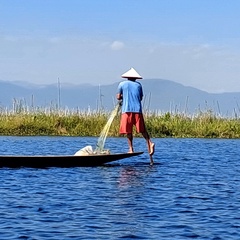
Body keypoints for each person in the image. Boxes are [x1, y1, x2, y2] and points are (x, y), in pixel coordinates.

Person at [116, 67, 155, 164]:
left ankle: (131, 149)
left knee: (128, 131)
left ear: (127, 77)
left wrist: (123, 96)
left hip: (126, 110)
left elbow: (118, 97)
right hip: (137, 110)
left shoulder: (122, 84)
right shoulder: (138, 85)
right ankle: (150, 142)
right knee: (142, 130)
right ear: (135, 78)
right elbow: (141, 97)